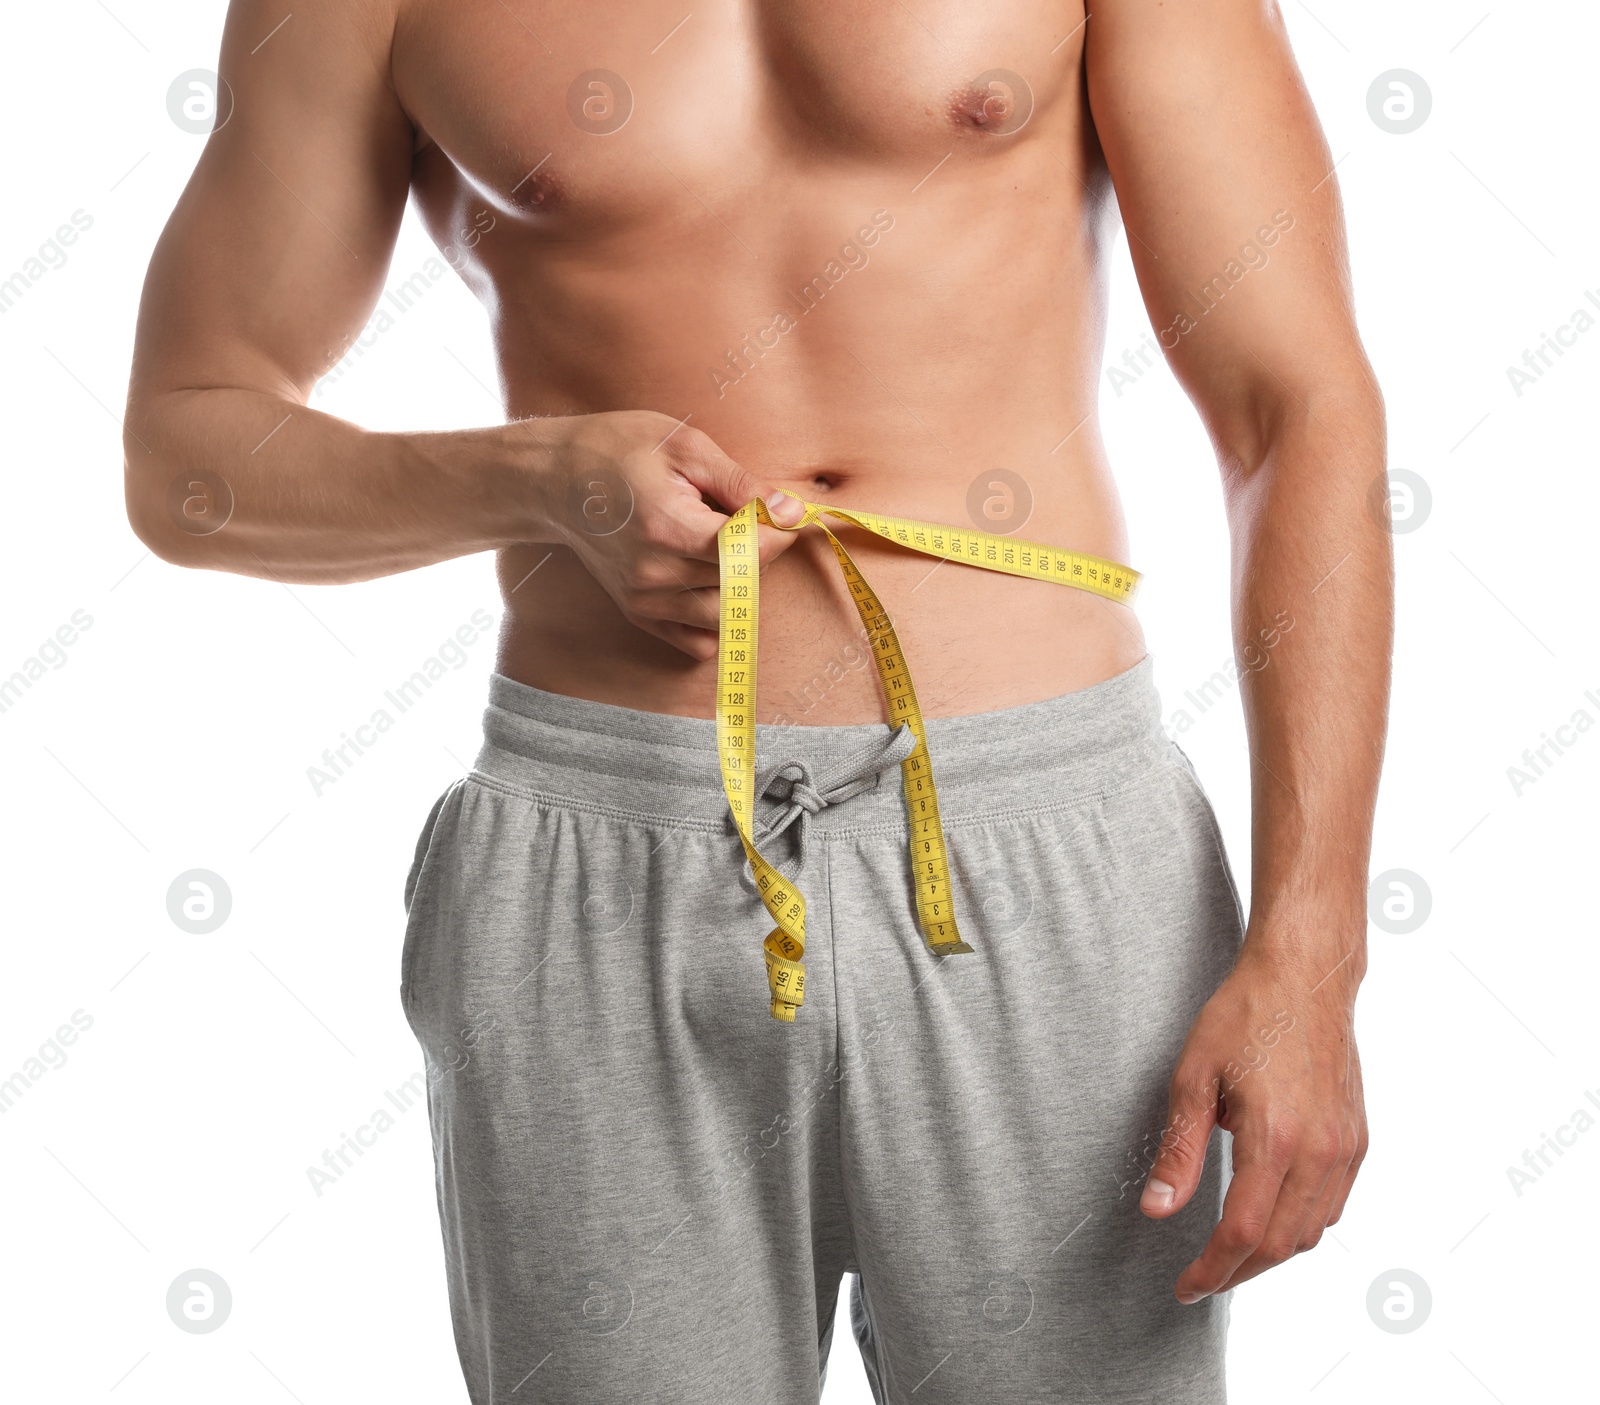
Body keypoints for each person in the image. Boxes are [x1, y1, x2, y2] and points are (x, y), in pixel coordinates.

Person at [124, 0, 1390, 1399]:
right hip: (603, 856)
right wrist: (539, 482)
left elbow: (1296, 407)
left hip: (1044, 844)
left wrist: (1312, 948)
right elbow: (188, 450)